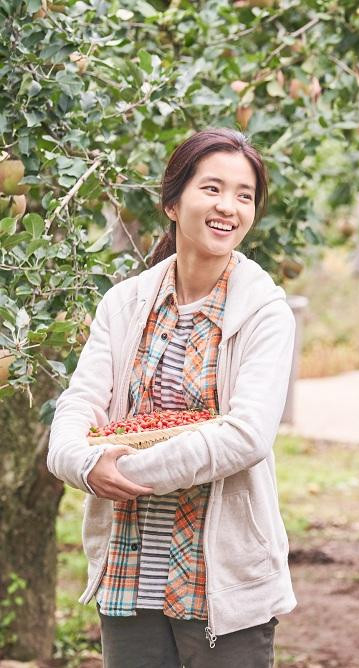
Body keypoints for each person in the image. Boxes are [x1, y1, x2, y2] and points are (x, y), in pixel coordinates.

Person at [47, 128, 297, 667]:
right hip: (129, 570)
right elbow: (78, 406)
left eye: (245, 195)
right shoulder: (125, 304)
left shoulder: (263, 312)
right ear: (172, 202)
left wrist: (124, 471)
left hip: (220, 580)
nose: (228, 206)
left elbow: (246, 436)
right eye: (212, 188)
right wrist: (84, 465)